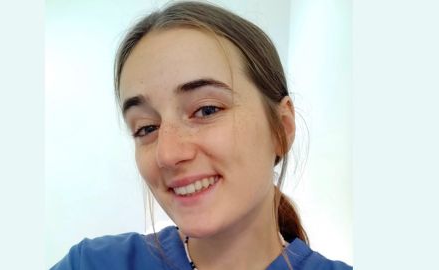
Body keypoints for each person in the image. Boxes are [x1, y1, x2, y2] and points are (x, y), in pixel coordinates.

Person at [51, 1, 352, 269]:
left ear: (282, 128)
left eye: (207, 110)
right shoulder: (92, 263)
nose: (167, 154)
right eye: (146, 128)